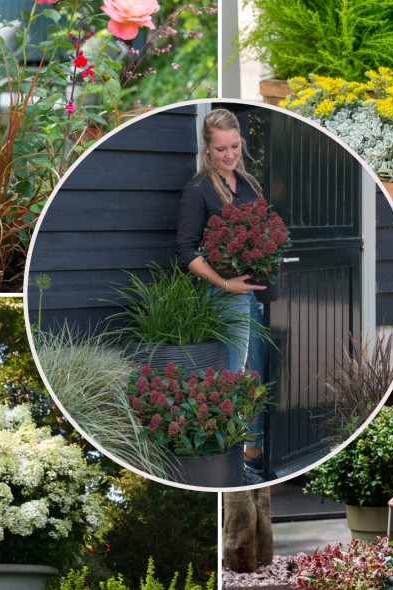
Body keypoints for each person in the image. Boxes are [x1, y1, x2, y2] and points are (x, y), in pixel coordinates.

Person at [175, 108, 269, 476]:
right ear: (206, 149)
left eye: (234, 146)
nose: (229, 155)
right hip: (222, 296)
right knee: (230, 375)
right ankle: (230, 459)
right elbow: (186, 251)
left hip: (254, 294)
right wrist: (225, 283)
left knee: (256, 374)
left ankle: (253, 453)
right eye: (220, 149)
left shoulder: (247, 185)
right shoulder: (198, 190)